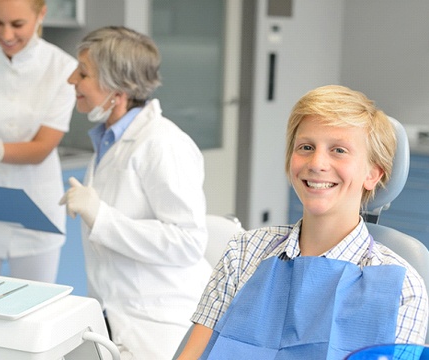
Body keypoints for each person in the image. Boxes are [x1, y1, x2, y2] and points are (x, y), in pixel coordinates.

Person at [178, 85, 429, 360]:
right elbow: (192, 355)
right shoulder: (244, 252)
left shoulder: (403, 288)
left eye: (339, 150)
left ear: (372, 174)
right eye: (306, 147)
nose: (317, 162)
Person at [59, 26, 212, 359]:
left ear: (118, 88)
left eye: (83, 73)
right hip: (117, 315)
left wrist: (101, 216)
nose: (72, 79)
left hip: (162, 323)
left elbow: (187, 242)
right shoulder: (109, 140)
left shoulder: (163, 144)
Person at [0, 0, 76, 282]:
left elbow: (40, 148)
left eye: (17, 24)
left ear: (41, 14)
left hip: (36, 210)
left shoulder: (63, 68)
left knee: (34, 309)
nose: (6, 35)